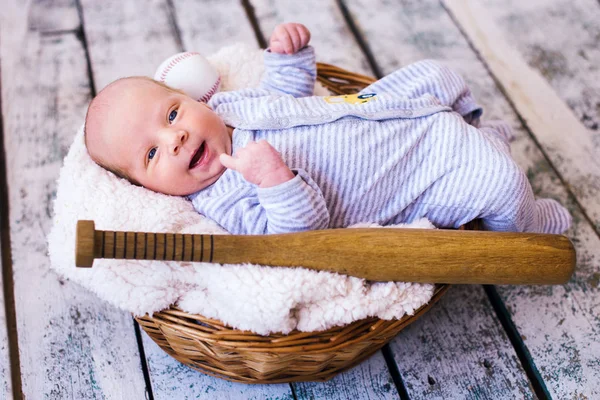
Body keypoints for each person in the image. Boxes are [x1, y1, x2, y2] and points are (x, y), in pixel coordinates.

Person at [84, 22, 571, 235]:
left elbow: (287, 96)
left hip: (376, 111)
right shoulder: (222, 201)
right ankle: (525, 223)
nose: (176, 139)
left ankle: (478, 132)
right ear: (150, 189)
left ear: (191, 100)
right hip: (411, 171)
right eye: (151, 155)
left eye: (171, 116)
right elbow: (295, 236)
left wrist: (288, 55)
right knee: (500, 182)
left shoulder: (231, 108)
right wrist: (274, 181)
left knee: (438, 72)